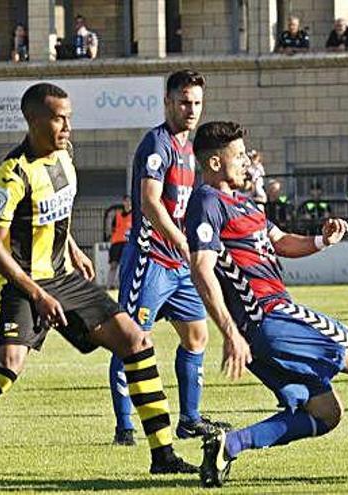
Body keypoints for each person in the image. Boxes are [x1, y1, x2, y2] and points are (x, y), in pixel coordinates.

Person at [0, 83, 194, 473]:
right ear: (33, 120)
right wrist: (36, 293)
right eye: (59, 117)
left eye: (70, 116)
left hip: (62, 278)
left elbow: (55, 215)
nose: (67, 125)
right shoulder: (12, 175)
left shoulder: (65, 157)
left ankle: (163, 456)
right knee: (5, 369)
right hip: (23, 283)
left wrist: (74, 249)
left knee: (135, 341)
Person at [185, 121, 348, 486]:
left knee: (325, 413)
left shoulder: (244, 204)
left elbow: (281, 242)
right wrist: (230, 332)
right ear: (215, 163)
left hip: (262, 334)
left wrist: (321, 240)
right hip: (270, 316)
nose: (247, 162)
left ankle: (228, 445)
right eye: (239, 156)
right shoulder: (207, 201)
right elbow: (201, 267)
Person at [111, 70, 227, 447]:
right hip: (150, 259)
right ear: (167, 101)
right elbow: (149, 201)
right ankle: (125, 426)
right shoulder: (156, 144)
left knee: (196, 336)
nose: (190, 109)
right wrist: (181, 241)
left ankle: (190, 420)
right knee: (133, 339)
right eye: (183, 102)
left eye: (196, 103)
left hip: (180, 265)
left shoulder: (190, 150)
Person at [107, 195, 133, 290]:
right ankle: (110, 285)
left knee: (125, 266)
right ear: (123, 203)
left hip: (127, 243)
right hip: (116, 243)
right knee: (113, 265)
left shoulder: (134, 216)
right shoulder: (117, 215)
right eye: (126, 201)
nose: (128, 203)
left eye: (129, 201)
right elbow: (113, 228)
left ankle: (123, 285)